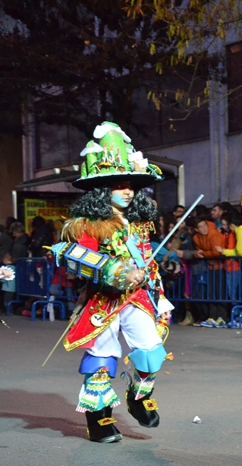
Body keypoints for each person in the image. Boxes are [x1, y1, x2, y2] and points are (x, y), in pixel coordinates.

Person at [49, 121, 172, 443]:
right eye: (119, 185)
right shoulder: (86, 225)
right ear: (102, 189)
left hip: (138, 297)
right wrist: (117, 272)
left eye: (130, 183)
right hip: (102, 301)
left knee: (151, 353)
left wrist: (157, 293)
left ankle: (137, 397)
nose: (128, 190)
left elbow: (148, 262)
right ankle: (99, 420)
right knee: (102, 361)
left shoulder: (138, 224)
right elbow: (74, 257)